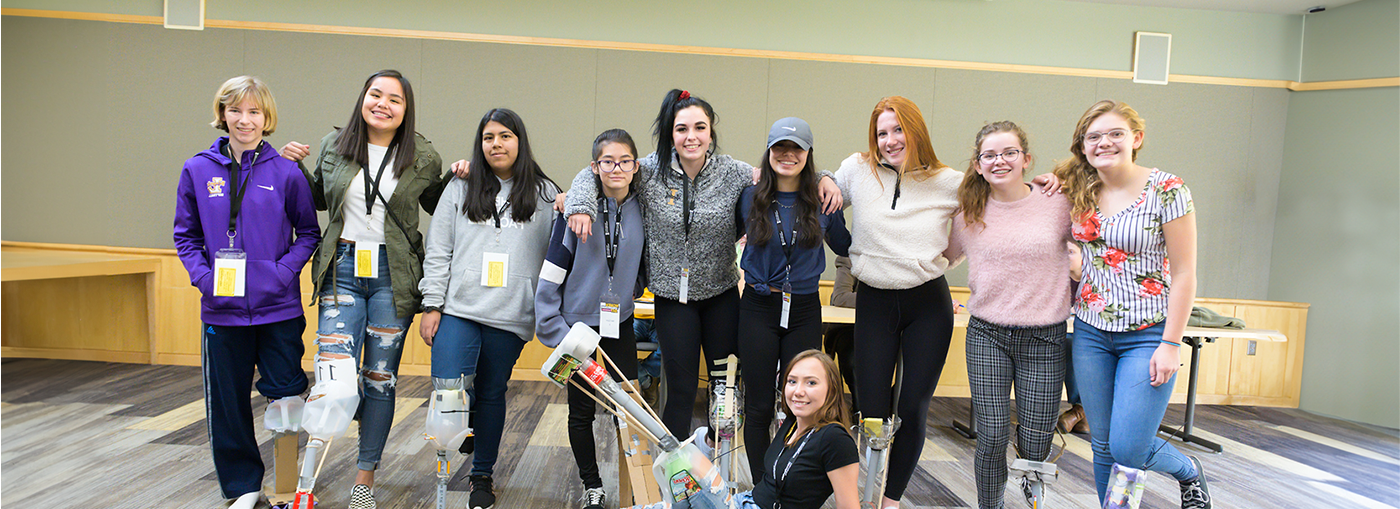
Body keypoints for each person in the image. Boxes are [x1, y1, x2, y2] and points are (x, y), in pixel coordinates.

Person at [561, 90, 841, 440]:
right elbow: (594, 173)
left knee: (723, 393)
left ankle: (716, 466)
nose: (690, 136)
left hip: (721, 296)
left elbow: (789, 172)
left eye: (699, 127)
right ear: (671, 134)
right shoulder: (647, 170)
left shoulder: (734, 173)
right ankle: (677, 477)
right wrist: (579, 203)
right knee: (680, 389)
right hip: (671, 300)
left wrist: (826, 177)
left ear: (711, 133)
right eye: (681, 129)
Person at [281, 69, 446, 509]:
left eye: (395, 99)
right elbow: (318, 199)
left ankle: (364, 481)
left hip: (394, 275)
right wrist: (292, 164)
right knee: (333, 377)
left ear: (406, 110)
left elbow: (438, 205)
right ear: (363, 99)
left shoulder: (424, 155)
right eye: (376, 94)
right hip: (343, 268)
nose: (383, 104)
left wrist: (460, 176)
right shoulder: (334, 145)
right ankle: (306, 480)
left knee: (379, 380)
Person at [1053, 100, 1210, 508]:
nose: (1104, 142)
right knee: (1102, 444)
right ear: (1083, 147)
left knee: (1127, 445)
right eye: (1094, 137)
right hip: (1091, 331)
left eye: (1115, 133)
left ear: (1136, 138)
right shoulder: (1079, 187)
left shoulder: (1168, 189)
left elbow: (1185, 273)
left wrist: (1171, 344)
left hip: (1149, 333)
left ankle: (1187, 469)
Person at [173, 76, 319, 509]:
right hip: (222, 312)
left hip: (278, 308)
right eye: (235, 110)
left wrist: (280, 273)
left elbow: (308, 232)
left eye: (254, 111)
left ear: (266, 117)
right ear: (223, 114)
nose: (245, 119)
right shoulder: (197, 169)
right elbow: (186, 235)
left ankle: (289, 482)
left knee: (288, 391)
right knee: (228, 401)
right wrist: (204, 280)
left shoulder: (286, 171)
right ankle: (242, 486)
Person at [419, 108, 560, 509]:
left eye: (505, 136)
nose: (496, 144)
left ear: (520, 140)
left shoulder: (547, 194)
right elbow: (439, 248)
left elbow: (560, 255)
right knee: (449, 386)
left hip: (510, 313)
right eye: (488, 137)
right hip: (459, 308)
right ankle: (462, 436)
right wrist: (432, 303)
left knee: (492, 390)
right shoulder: (460, 186)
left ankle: (482, 476)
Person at [943, 121, 1072, 509]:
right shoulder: (968, 213)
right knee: (993, 436)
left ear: (1026, 159)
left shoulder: (1057, 202)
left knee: (1036, 442)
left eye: (1009, 152)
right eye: (989, 155)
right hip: (987, 335)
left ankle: (1032, 498)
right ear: (978, 164)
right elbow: (939, 258)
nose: (999, 161)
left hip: (1045, 336)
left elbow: (1095, 242)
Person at [534, 129, 646, 509]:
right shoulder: (574, 210)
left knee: (627, 411)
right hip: (576, 330)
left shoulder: (641, 208)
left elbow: (645, 260)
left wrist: (636, 284)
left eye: (625, 161)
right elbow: (551, 274)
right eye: (608, 161)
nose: (617, 168)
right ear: (595, 167)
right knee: (581, 412)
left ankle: (632, 490)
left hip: (621, 324)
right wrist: (554, 328)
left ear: (635, 165)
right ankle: (592, 485)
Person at [736, 117, 851, 479]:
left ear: (808, 154)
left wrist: (833, 185)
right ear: (769, 151)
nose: (788, 154)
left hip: (803, 308)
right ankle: (760, 487)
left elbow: (848, 246)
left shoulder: (821, 199)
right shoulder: (749, 196)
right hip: (758, 306)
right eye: (780, 147)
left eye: (796, 148)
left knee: (800, 408)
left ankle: (787, 482)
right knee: (757, 408)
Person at [626, 350, 859, 509]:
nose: (798, 390)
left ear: (832, 389)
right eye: (792, 381)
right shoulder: (792, 423)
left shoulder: (835, 439)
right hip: (741, 502)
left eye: (811, 382)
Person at [821, 256, 858, 419]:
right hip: (849, 329)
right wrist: (879, 299)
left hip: (888, 331)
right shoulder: (850, 259)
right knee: (853, 360)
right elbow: (841, 297)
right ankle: (858, 409)